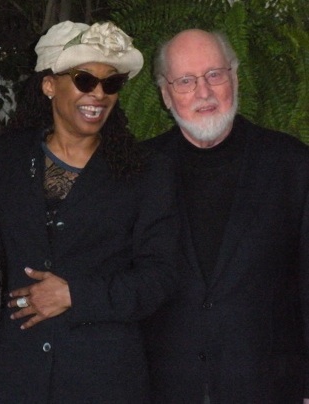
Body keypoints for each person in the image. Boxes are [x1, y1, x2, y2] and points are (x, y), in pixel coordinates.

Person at [0, 20, 179, 402]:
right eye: (85, 80)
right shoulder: (4, 158)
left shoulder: (145, 171)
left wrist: (76, 295)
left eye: (111, 83)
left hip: (105, 381)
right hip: (18, 378)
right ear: (49, 85)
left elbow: (161, 277)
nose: (99, 94)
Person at [144, 29, 309, 403]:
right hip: (165, 388)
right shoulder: (139, 171)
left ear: (234, 78)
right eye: (186, 81)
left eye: (214, 75)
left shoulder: (292, 165)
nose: (203, 92)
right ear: (166, 94)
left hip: (268, 388)